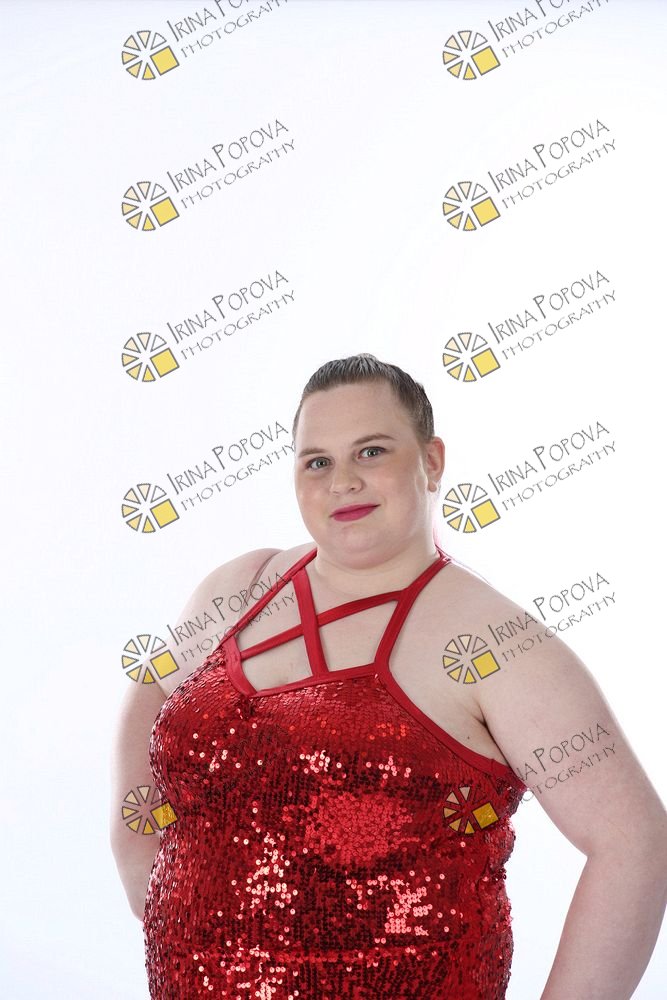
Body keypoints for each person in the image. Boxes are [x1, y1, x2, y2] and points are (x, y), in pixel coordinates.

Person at [111, 354, 666, 999]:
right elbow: (155, 687)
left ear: (431, 461)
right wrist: (140, 858)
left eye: (371, 452)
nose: (343, 481)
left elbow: (635, 843)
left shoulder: (491, 642)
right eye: (317, 461)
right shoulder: (244, 585)